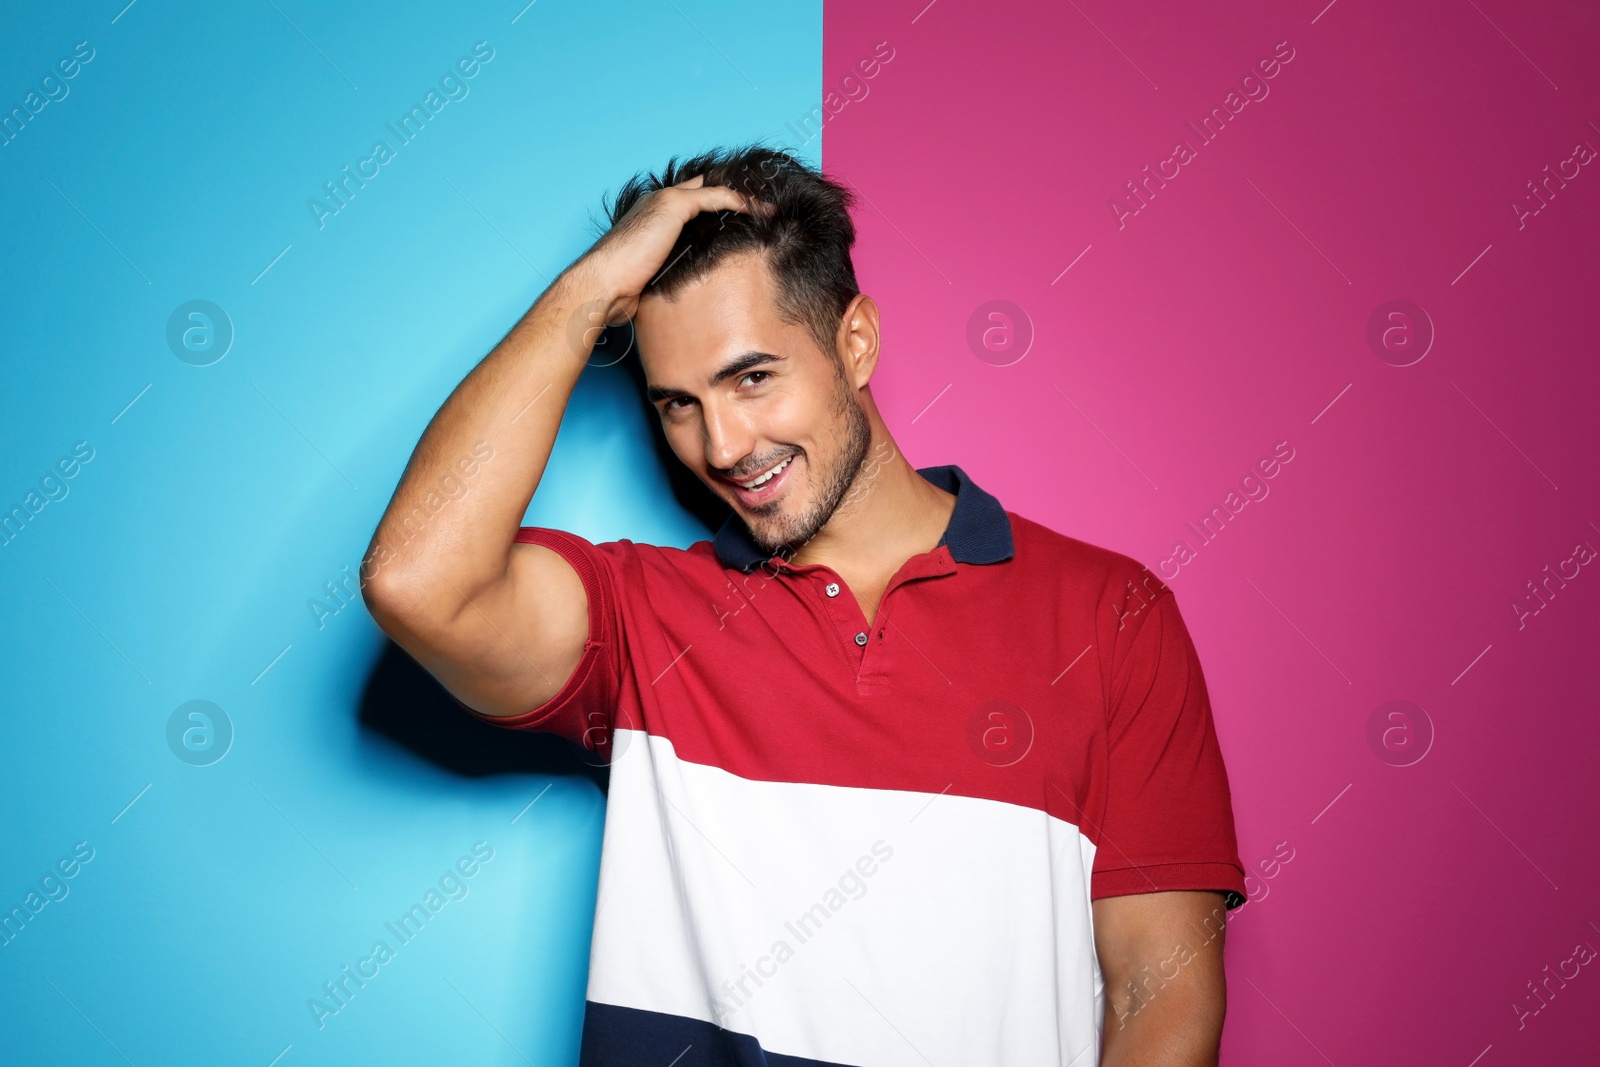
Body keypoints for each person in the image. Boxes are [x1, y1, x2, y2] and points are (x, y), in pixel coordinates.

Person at [362, 145, 1248, 1066]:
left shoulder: (1112, 613)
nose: (723, 443)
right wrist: (588, 291)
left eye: (752, 377)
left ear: (854, 343)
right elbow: (417, 580)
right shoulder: (643, 619)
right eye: (677, 404)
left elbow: (1163, 991)